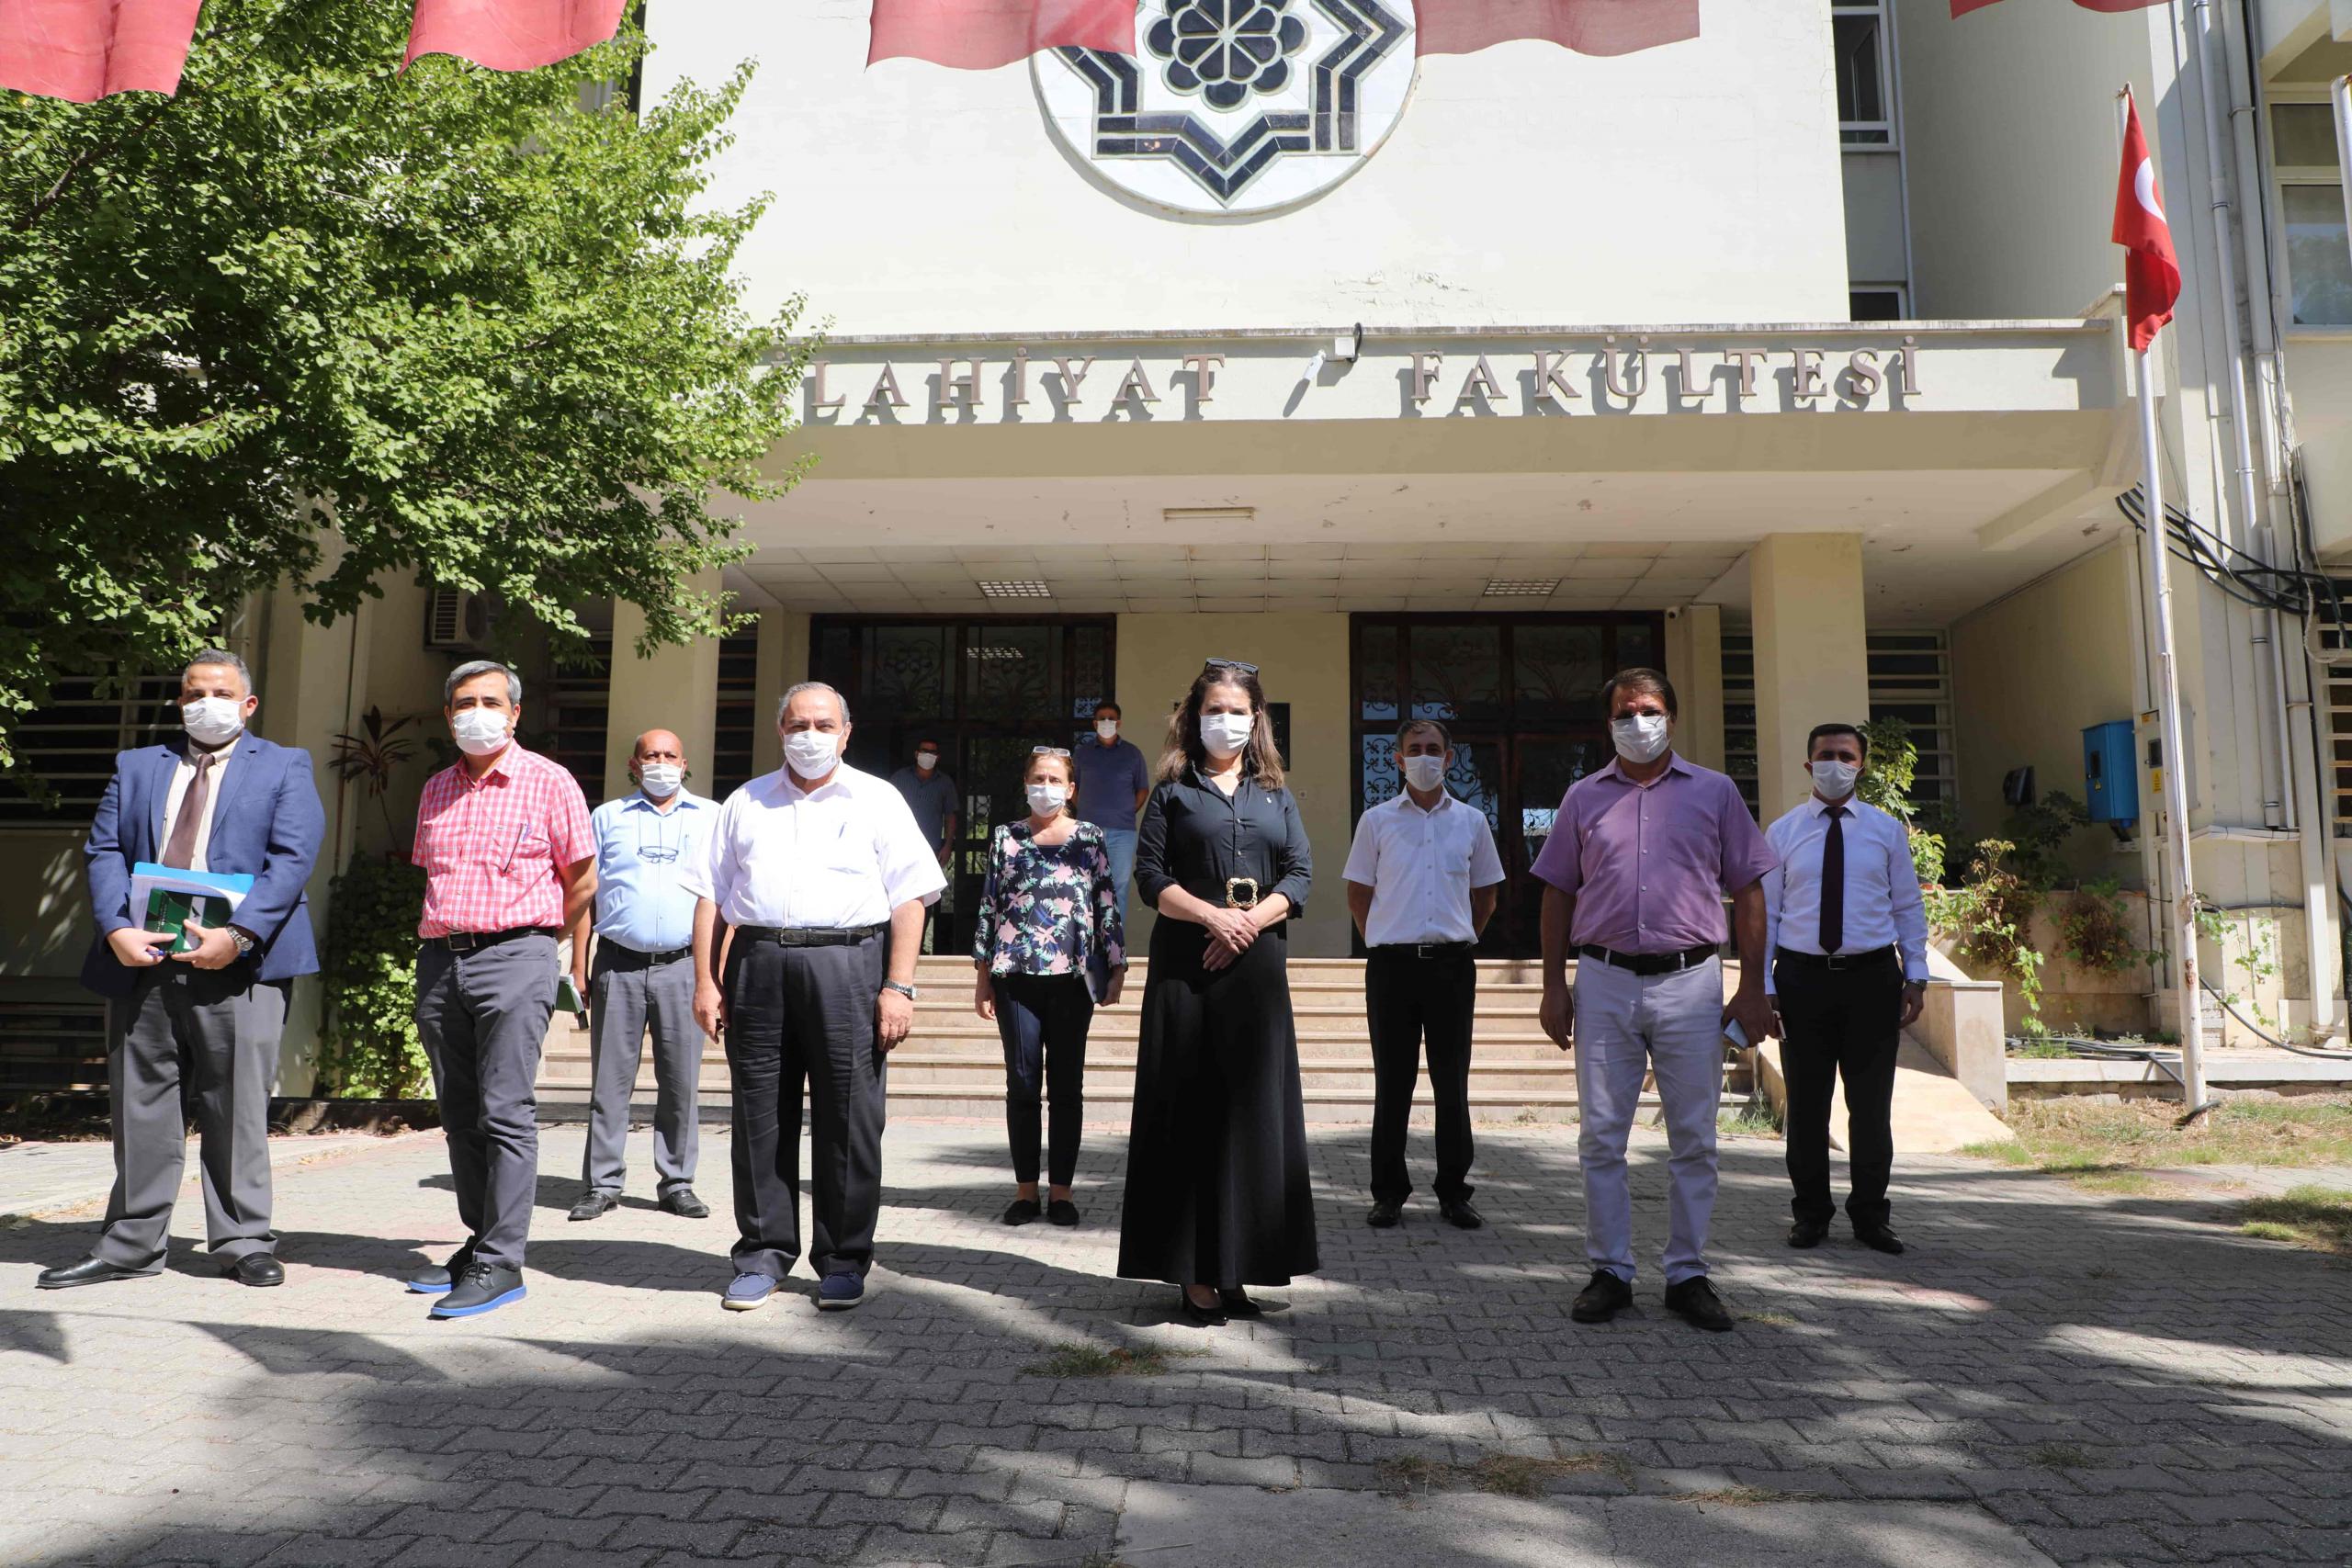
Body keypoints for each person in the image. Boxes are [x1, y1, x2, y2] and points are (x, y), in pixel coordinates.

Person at [41, 650, 324, 1292]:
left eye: (222, 692)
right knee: (140, 1106)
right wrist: (115, 927)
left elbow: (293, 857)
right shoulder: (138, 765)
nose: (207, 702)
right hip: (143, 958)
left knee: (237, 1105)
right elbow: (104, 848)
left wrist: (240, 933)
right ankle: (131, 1243)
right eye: (194, 692)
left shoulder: (284, 765)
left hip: (240, 966)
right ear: (179, 701)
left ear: (248, 704)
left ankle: (243, 1239)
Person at [1533, 667, 1777, 1334]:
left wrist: (1753, 987)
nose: (1637, 722)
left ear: (1672, 714)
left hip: (1691, 981)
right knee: (1601, 1137)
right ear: (1607, 722)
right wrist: (1555, 985)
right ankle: (1610, 1269)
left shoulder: (1717, 793)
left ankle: (1688, 1273)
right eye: (1623, 712)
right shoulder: (1583, 797)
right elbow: (1557, 891)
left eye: (1648, 709)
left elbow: (1750, 891)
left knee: (1694, 1137)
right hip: (1605, 980)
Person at [686, 682, 944, 1314]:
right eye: (798, 723)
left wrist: (899, 984)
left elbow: (911, 896)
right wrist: (704, 980)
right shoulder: (745, 801)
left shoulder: (879, 799)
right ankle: (763, 1252)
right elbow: (710, 896)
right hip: (760, 963)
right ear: (780, 730)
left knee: (850, 1119)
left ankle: (843, 1258)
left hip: (850, 962)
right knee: (758, 1118)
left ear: (846, 732)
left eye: (823, 723)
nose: (810, 735)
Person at [1117, 660, 1317, 1326]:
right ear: (1193, 715)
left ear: (1256, 717)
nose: (1225, 719)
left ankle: (1241, 1269)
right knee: (1190, 1115)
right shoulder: (1172, 791)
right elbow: (1149, 876)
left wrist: (1250, 921)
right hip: (1187, 975)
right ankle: (1194, 1275)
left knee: (1254, 1119)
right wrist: (1213, 916)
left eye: (1237, 708)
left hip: (1256, 979)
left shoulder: (1275, 795)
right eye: (1213, 708)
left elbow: (1301, 874)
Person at [406, 660, 595, 1320]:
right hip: (440, 960)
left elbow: (583, 879)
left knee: (505, 1110)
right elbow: (434, 877)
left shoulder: (550, 781)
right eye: (464, 702)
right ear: (449, 713)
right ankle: (478, 1239)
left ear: (515, 713)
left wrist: (539, 944)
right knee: (459, 1113)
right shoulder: (435, 789)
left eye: (491, 701)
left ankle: (502, 1261)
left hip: (516, 954)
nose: (476, 712)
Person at [1762, 722, 1929, 1256]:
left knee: (1871, 1105)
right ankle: (1810, 1215)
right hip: (1801, 981)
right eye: (1825, 755)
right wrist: (1763, 983)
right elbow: (1766, 915)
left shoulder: (1885, 831)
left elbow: (1907, 905)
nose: (1836, 764)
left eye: (1846, 756)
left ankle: (1870, 1216)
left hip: (1872, 981)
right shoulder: (1782, 833)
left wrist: (1917, 972)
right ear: (1809, 764)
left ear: (1862, 764)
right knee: (1808, 1106)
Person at [1341, 717, 1505, 1232]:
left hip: (1452, 967)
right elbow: (1358, 891)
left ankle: (1455, 1192)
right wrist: (1382, 937)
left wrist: (1459, 935)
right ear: (1398, 759)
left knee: (1451, 1084)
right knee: (1394, 1084)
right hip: (1391, 967)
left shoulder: (1473, 822)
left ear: (1450, 757)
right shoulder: (1377, 821)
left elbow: (1487, 893)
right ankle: (1388, 1193)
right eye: (1415, 749)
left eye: (1434, 749)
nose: (1425, 757)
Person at [973, 746, 1125, 1227]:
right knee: (1021, 1083)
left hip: (1072, 977)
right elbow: (990, 903)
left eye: (1055, 779)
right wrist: (982, 977)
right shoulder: (1006, 837)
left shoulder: (1089, 837)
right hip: (1014, 976)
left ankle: (1061, 1192)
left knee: (1066, 1086)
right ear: (1025, 783)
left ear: (1071, 789)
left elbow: (1106, 899)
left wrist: (1117, 964)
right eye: (1038, 778)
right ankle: (1025, 1192)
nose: (1046, 786)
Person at [569, 728, 714, 1224]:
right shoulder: (606, 817)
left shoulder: (711, 818)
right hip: (618, 964)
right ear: (634, 764)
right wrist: (577, 965)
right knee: (609, 1083)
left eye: (670, 755)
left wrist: (712, 975)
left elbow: (725, 901)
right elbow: (586, 894)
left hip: (683, 967)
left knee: (680, 1083)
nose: (661, 762)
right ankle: (602, 1183)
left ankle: (677, 1182)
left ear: (684, 761)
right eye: (651, 755)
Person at [1073, 701, 1149, 920]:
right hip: (1087, 830)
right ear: (1094, 723)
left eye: (1111, 718)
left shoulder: (1132, 754)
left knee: (1118, 887)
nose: (1107, 722)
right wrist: (1085, 810)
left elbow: (1142, 789)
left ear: (1119, 723)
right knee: (1084, 884)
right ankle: (1087, 942)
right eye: (1102, 718)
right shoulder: (1082, 753)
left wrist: (1126, 810)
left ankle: (1115, 945)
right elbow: (1072, 788)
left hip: (1122, 831)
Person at [888, 737, 959, 951]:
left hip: (930, 851)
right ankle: (896, 948)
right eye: (924, 750)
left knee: (925, 899)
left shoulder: (944, 782)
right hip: (898, 849)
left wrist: (947, 846)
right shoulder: (900, 778)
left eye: (932, 752)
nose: (928, 755)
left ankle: (916, 947)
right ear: (916, 754)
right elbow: (885, 810)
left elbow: (951, 815)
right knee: (897, 897)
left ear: (937, 757)